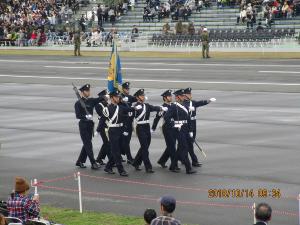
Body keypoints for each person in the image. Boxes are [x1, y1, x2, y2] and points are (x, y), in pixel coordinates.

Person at [132, 89, 167, 173]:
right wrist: (134, 109)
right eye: (141, 95)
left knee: (145, 146)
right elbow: (129, 114)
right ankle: (148, 167)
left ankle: (136, 162)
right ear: (137, 97)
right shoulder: (135, 106)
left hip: (147, 127)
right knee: (144, 148)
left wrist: (161, 108)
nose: (143, 97)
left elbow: (154, 108)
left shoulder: (146, 105)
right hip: (140, 127)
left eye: (143, 95)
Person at [164, 89, 196, 174]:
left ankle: (172, 166)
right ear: (177, 97)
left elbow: (188, 119)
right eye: (182, 96)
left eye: (183, 95)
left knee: (180, 149)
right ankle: (188, 168)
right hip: (178, 129)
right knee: (184, 148)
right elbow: (166, 117)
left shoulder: (184, 106)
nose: (183, 97)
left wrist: (190, 130)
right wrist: (173, 124)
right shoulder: (174, 106)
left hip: (185, 129)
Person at [103, 90, 134, 176]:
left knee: (118, 150)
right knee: (116, 151)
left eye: (118, 97)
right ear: (112, 98)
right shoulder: (107, 109)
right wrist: (98, 131)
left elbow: (128, 109)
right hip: (112, 131)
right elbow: (102, 121)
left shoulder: (120, 107)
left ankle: (108, 166)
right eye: (116, 97)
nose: (118, 98)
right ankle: (121, 170)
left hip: (120, 130)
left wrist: (135, 107)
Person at [183, 87, 215, 167]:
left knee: (186, 144)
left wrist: (209, 101)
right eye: (189, 94)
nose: (191, 95)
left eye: (190, 94)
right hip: (187, 125)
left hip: (193, 125)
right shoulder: (183, 104)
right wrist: (188, 108)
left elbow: (200, 103)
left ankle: (183, 159)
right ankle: (194, 161)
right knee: (189, 144)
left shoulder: (192, 102)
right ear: (185, 95)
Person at [75, 84, 103, 170]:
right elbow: (78, 115)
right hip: (83, 125)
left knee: (87, 144)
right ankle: (93, 162)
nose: (88, 92)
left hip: (90, 125)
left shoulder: (91, 101)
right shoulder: (78, 103)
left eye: (89, 90)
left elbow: (99, 99)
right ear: (82, 92)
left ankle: (80, 161)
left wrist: (107, 95)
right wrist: (85, 117)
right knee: (88, 144)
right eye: (87, 91)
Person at [152, 90, 178, 172]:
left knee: (171, 146)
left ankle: (162, 161)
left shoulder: (173, 105)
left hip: (174, 127)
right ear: (165, 98)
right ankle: (174, 165)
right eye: (169, 96)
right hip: (166, 128)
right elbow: (156, 118)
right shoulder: (162, 107)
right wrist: (153, 128)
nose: (171, 97)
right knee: (172, 147)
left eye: (171, 96)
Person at [120, 82, 137, 164]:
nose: (128, 90)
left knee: (126, 141)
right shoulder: (119, 97)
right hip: (123, 123)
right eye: (126, 89)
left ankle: (120, 155)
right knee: (125, 141)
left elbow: (136, 98)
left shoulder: (129, 97)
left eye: (128, 89)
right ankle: (129, 158)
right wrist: (121, 100)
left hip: (129, 122)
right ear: (123, 89)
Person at [95, 89, 110, 165]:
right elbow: (104, 116)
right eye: (106, 95)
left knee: (106, 143)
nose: (108, 96)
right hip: (103, 126)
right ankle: (111, 160)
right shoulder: (98, 105)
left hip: (108, 125)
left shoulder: (106, 103)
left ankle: (99, 159)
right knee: (107, 143)